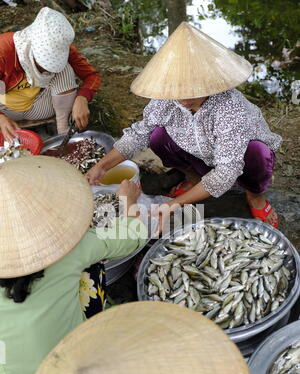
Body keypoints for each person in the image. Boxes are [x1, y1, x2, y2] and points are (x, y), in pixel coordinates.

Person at [0, 154, 147, 374]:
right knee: (91, 269)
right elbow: (134, 234)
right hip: (69, 366)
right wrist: (127, 201)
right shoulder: (70, 250)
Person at [86, 22, 282, 229]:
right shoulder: (169, 98)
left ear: (210, 81)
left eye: (192, 92)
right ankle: (193, 178)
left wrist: (174, 204)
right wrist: (102, 166)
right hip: (199, 155)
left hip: (237, 161)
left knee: (257, 152)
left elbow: (226, 173)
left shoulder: (231, 108)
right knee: (157, 137)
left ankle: (255, 195)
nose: (184, 100)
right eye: (177, 93)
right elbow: (138, 134)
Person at [0, 7, 100, 141]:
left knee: (65, 69)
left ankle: (64, 135)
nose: (45, 71)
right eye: (41, 64)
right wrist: (1, 118)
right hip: (5, 108)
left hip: (38, 107)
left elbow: (92, 76)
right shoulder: (3, 49)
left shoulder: (62, 47)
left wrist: (82, 98)